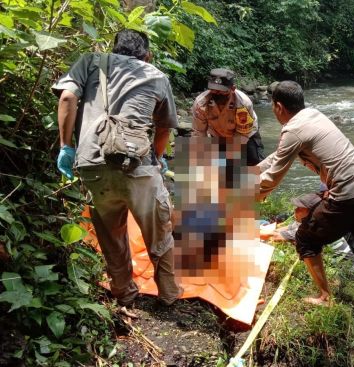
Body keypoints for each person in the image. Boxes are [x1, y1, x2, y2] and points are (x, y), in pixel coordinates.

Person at [52, 30, 181, 308]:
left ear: (114, 49)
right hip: (137, 164)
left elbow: (66, 98)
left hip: (92, 164)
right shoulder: (156, 75)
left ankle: (124, 293)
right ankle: (169, 295)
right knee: (159, 233)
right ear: (146, 54)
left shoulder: (89, 61)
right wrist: (157, 159)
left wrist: (66, 146)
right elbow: (165, 127)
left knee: (111, 235)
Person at [257, 81, 354, 331]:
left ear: (278, 106)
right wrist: (251, 173)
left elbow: (274, 175)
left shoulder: (293, 130)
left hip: (348, 195)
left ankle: (324, 297)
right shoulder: (313, 115)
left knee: (306, 238)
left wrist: (251, 195)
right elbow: (277, 157)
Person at [191, 68, 264, 165]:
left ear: (233, 89)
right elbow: (199, 133)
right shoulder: (201, 104)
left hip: (246, 134)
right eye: (214, 90)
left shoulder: (243, 104)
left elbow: (241, 136)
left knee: (255, 166)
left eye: (221, 91)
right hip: (217, 134)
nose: (217, 94)